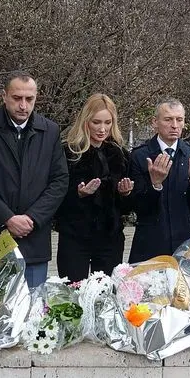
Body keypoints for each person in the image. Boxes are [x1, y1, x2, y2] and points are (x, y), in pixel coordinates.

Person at [0, 71, 68, 287]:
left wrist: (32, 218)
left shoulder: (50, 131)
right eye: (17, 98)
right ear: (4, 96)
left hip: (34, 241)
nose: (23, 105)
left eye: (29, 99)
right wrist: (7, 219)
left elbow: (59, 181)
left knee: (30, 315)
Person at [54, 94, 133, 281]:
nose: (102, 128)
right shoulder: (68, 152)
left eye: (107, 122)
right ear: (86, 121)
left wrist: (125, 193)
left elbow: (127, 208)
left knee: (105, 296)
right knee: (72, 294)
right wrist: (79, 194)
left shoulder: (120, 154)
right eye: (96, 122)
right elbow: (55, 196)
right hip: (75, 237)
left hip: (109, 238)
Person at [128, 99, 190, 262]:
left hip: (187, 243)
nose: (174, 125)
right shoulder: (140, 156)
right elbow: (137, 206)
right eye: (168, 119)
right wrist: (155, 184)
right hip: (151, 243)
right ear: (155, 122)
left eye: (179, 120)